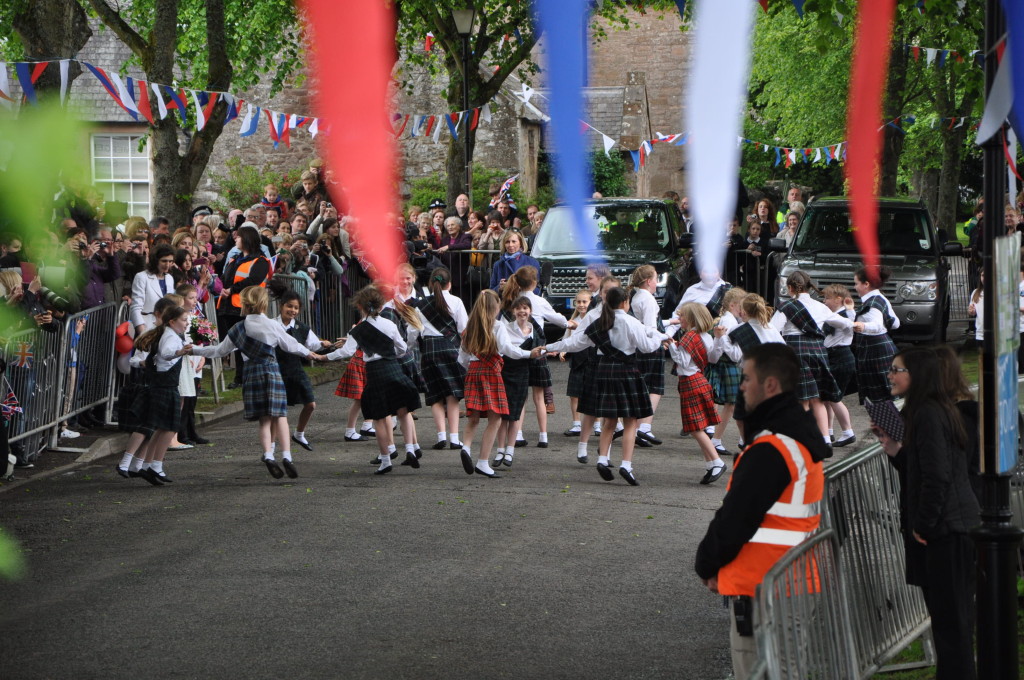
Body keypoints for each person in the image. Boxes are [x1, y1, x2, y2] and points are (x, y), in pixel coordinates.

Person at [694, 343, 828, 680]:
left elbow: (737, 517)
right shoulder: (796, 433)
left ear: (770, 385)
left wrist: (707, 563)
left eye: (747, 378)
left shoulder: (772, 447)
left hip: (765, 586)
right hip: (788, 580)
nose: (741, 386)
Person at [875, 348, 979, 680]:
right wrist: (895, 451)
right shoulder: (930, 411)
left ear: (918, 375)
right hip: (947, 527)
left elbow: (938, 475)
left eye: (897, 369)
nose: (891, 375)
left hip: (946, 531)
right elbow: (928, 467)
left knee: (952, 625)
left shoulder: (931, 413)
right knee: (949, 622)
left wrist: (924, 524)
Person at [191, 286, 326, 479]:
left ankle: (269, 455)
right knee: (280, 416)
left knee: (264, 420)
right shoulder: (272, 325)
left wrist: (193, 350)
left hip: (251, 374)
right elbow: (291, 345)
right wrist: (312, 354)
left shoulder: (238, 328)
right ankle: (287, 456)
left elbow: (218, 351)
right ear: (264, 303)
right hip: (271, 371)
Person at [540, 286, 669, 485]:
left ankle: (602, 459)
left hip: (603, 371)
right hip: (626, 372)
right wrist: (660, 338)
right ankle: (626, 465)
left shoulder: (599, 322)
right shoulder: (631, 322)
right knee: (630, 422)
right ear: (625, 303)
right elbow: (647, 347)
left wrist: (548, 347)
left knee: (609, 420)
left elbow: (574, 344)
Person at [325, 286, 422, 475]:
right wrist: (388, 353)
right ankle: (410, 449)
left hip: (375, 372)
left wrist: (323, 358)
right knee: (403, 411)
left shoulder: (359, 330)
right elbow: (402, 349)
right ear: (380, 305)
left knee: (378, 417)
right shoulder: (389, 324)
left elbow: (346, 352)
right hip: (393, 368)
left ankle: (386, 460)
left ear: (360, 306)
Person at [457, 290, 534, 478]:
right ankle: (483, 462)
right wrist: (529, 353)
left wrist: (473, 366)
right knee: (496, 419)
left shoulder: (470, 328)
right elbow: (508, 350)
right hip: (491, 373)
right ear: (496, 307)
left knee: (473, 417)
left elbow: (461, 359)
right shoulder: (498, 326)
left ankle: (466, 447)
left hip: (473, 372)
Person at [499, 266, 568, 448]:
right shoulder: (539, 301)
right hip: (537, 352)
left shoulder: (511, 301)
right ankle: (543, 436)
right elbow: (559, 320)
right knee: (539, 397)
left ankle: (518, 434)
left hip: (518, 353)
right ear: (535, 283)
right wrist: (571, 323)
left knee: (521, 396)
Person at [126, 304, 195, 485]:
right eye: (184, 320)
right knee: (170, 426)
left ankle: (150, 465)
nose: (187, 323)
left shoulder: (171, 334)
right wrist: (179, 352)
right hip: (165, 385)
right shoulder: (170, 336)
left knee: (163, 427)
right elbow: (165, 353)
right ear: (172, 321)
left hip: (165, 384)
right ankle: (155, 465)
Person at [770, 271, 842, 441]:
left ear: (790, 288)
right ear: (809, 286)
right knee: (818, 399)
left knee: (801, 399)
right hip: (818, 352)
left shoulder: (786, 307)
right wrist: (856, 323)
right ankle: (825, 440)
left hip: (797, 353)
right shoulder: (821, 306)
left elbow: (773, 329)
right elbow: (841, 321)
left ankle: (801, 438)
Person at [268, 280, 334, 452]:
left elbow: (312, 345)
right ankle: (272, 445)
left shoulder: (301, 327)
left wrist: (324, 344)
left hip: (295, 370)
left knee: (310, 404)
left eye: (296, 308)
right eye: (289, 306)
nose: (293, 311)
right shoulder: (272, 325)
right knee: (277, 410)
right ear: (281, 306)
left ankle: (299, 433)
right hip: (277, 370)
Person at [410, 267, 467, 452]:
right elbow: (463, 329)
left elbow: (413, 332)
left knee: (434, 395)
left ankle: (441, 436)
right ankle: (455, 438)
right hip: (451, 348)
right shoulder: (456, 301)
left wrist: (407, 348)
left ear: (431, 283)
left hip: (429, 350)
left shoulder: (420, 304)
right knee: (452, 395)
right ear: (449, 283)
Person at [668, 302, 726, 484]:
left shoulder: (688, 337)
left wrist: (670, 345)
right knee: (697, 427)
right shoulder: (705, 336)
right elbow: (713, 358)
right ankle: (710, 464)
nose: (680, 319)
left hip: (690, 383)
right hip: (701, 381)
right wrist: (718, 339)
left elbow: (682, 362)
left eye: (683, 316)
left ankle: (717, 462)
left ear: (692, 318)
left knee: (694, 427)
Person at [492, 296, 541, 469]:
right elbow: (505, 349)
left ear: (530, 311)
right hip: (506, 371)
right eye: (518, 308)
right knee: (502, 414)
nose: (522, 311)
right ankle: (499, 450)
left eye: (525, 308)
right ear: (513, 311)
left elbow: (540, 349)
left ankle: (510, 450)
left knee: (515, 414)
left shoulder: (534, 329)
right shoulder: (505, 328)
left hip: (522, 372)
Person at [627, 265, 667, 449]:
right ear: (648, 281)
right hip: (650, 346)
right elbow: (650, 328)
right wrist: (663, 337)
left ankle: (637, 428)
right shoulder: (648, 299)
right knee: (655, 387)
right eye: (656, 278)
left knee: (642, 385)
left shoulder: (634, 296)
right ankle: (644, 426)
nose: (657, 283)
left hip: (637, 345)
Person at [707, 287, 747, 457]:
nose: (743, 311)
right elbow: (734, 353)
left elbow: (716, 352)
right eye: (741, 307)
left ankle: (733, 439)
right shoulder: (730, 323)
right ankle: (716, 439)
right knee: (731, 405)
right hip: (729, 365)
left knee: (733, 405)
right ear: (732, 305)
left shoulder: (724, 320)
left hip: (722, 364)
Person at [851, 266, 899, 403]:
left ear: (866, 284)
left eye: (856, 283)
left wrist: (863, 325)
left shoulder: (871, 303)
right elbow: (895, 323)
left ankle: (890, 423)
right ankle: (895, 422)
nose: (855, 287)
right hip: (884, 347)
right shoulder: (880, 298)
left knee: (880, 395)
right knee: (890, 392)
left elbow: (877, 325)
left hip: (874, 350)